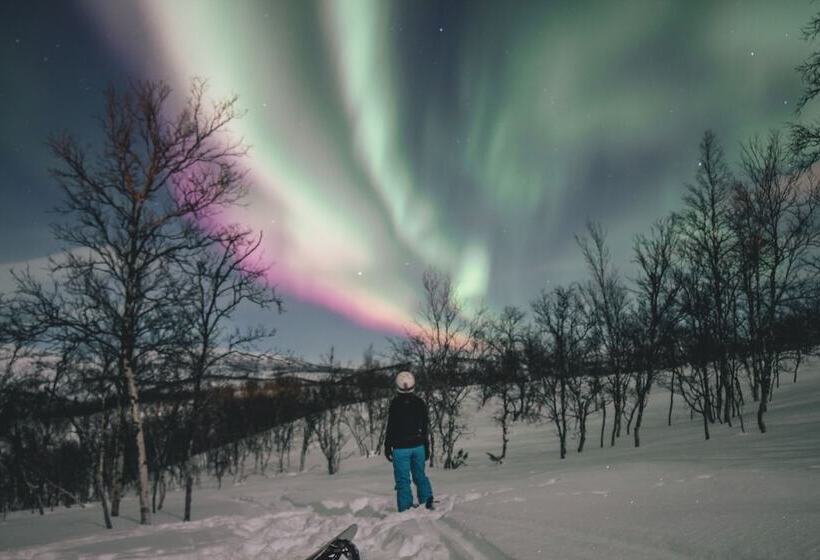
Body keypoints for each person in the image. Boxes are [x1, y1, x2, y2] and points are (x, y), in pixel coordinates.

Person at [384, 370, 435, 512]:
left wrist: (387, 446)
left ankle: (406, 508)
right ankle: (427, 501)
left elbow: (391, 427)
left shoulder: (395, 404)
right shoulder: (420, 403)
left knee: (403, 481)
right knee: (420, 476)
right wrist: (426, 447)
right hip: (418, 446)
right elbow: (424, 428)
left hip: (400, 449)